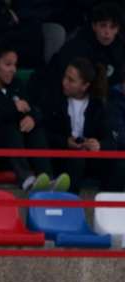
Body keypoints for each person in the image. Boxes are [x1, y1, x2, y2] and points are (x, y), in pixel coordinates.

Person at [0, 40, 59, 191]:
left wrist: (32, 118)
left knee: (35, 129)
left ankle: (47, 177)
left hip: (18, 151)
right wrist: (11, 108)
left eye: (15, 65)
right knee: (10, 127)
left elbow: (33, 108)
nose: (13, 70)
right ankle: (26, 179)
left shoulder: (16, 85)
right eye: (8, 64)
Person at [44, 58, 119, 192]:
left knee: (118, 164)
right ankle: (70, 205)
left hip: (90, 161)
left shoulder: (99, 107)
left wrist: (98, 145)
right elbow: (45, 134)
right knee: (76, 159)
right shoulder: (55, 101)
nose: (64, 82)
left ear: (84, 86)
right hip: (62, 158)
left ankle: (108, 208)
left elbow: (112, 139)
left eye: (71, 80)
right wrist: (66, 142)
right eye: (65, 77)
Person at [39, 2, 125, 104]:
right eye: (103, 26)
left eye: (112, 27)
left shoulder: (120, 48)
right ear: (94, 26)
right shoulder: (77, 47)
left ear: (118, 29)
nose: (107, 32)